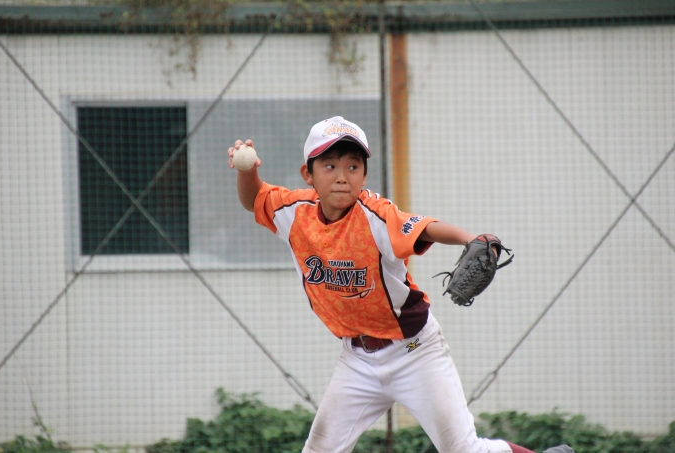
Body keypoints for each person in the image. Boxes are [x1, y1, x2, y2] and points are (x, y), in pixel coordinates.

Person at [227, 116, 573, 453]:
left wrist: (472, 239)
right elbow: (255, 198)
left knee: (462, 449)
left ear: (364, 174)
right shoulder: (295, 212)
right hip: (357, 359)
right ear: (308, 174)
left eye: (353, 166)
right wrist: (247, 170)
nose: (342, 177)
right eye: (330, 166)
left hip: (415, 351)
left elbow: (426, 228)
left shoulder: (376, 215)